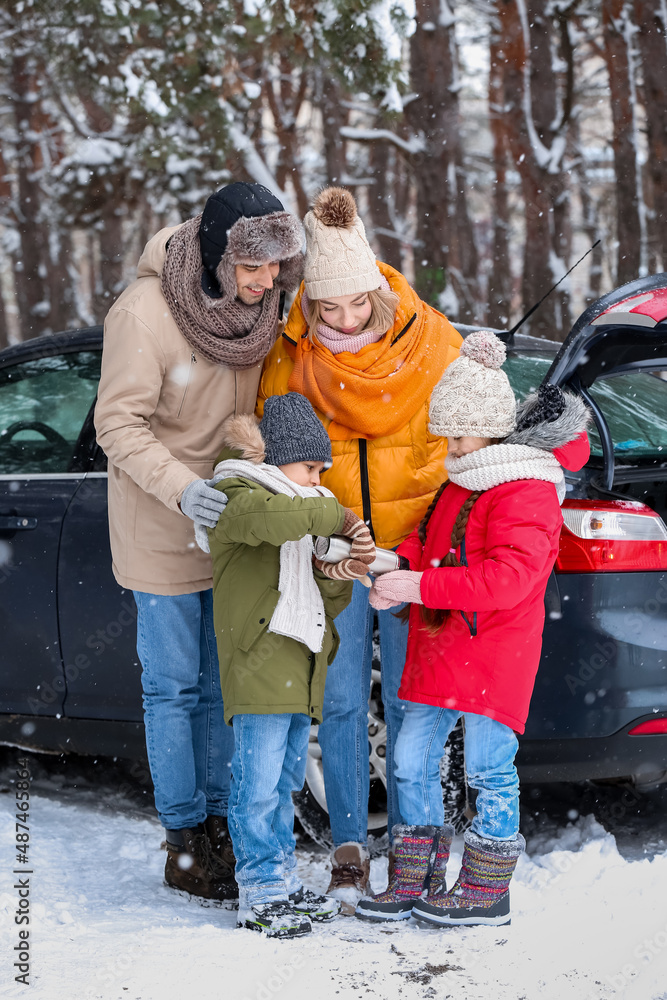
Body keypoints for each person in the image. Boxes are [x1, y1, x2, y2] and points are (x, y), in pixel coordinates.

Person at [94, 182, 304, 902]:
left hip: (235, 533)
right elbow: (117, 426)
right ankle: (184, 839)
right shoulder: (143, 315)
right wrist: (184, 489)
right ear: (217, 254)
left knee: (224, 689)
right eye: (253, 268)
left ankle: (223, 825)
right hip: (162, 525)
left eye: (275, 268)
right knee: (175, 688)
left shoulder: (261, 308)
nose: (267, 282)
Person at [257, 186, 463, 910]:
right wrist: (327, 529)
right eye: (326, 309)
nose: (343, 323)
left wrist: (412, 550)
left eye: (354, 307)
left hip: (409, 559)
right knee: (339, 706)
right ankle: (348, 846)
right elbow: (278, 457)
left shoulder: (435, 345)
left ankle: (414, 848)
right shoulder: (292, 356)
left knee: (413, 705)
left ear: (377, 293)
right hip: (332, 555)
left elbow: (457, 453)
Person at [356, 331, 589, 926]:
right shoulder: (463, 477)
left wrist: (422, 586)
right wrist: (393, 567)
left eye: (458, 434)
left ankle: (487, 889)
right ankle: (419, 875)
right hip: (441, 644)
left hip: (494, 648)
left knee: (488, 767)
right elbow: (427, 540)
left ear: (489, 426)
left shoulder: (526, 487)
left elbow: (509, 579)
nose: (450, 448)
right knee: (409, 759)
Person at [202, 392, 375, 937]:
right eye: (311, 465)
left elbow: (325, 603)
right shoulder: (239, 497)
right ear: (273, 459)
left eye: (324, 468)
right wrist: (338, 512)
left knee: (282, 783)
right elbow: (273, 521)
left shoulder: (297, 514)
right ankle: (258, 888)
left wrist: (338, 568)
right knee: (255, 782)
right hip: (258, 662)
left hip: (299, 665)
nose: (320, 477)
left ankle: (279, 879)